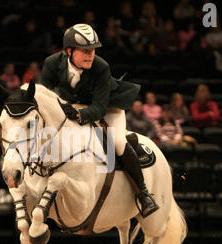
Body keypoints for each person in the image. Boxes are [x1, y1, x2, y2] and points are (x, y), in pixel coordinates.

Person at [40, 23, 158, 217]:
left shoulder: (101, 67)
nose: (91, 54)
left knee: (118, 142)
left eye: (93, 50)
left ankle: (144, 194)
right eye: (85, 50)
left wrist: (79, 115)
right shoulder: (51, 64)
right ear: (69, 51)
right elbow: (43, 97)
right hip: (69, 108)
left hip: (106, 106)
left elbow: (99, 108)